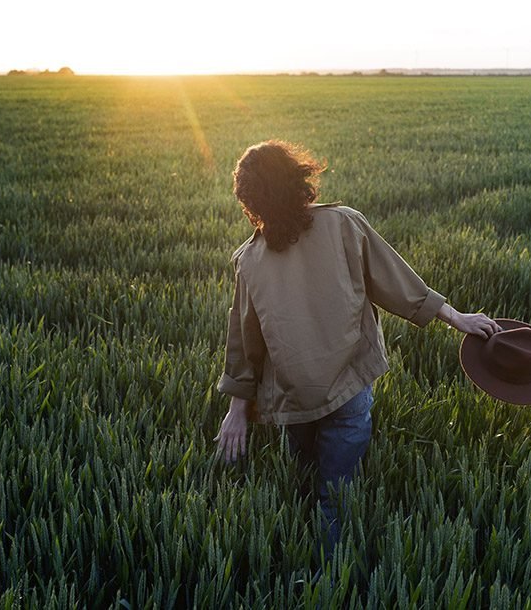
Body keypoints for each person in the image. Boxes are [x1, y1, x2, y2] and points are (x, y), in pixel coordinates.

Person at [213, 140, 499, 551]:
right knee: (335, 494)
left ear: (250, 201)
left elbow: (243, 342)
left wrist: (236, 410)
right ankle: (332, 578)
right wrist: (456, 317)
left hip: (294, 401)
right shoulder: (344, 224)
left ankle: (293, 566)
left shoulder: (249, 260)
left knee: (300, 482)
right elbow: (397, 284)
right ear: (300, 179)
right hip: (348, 388)